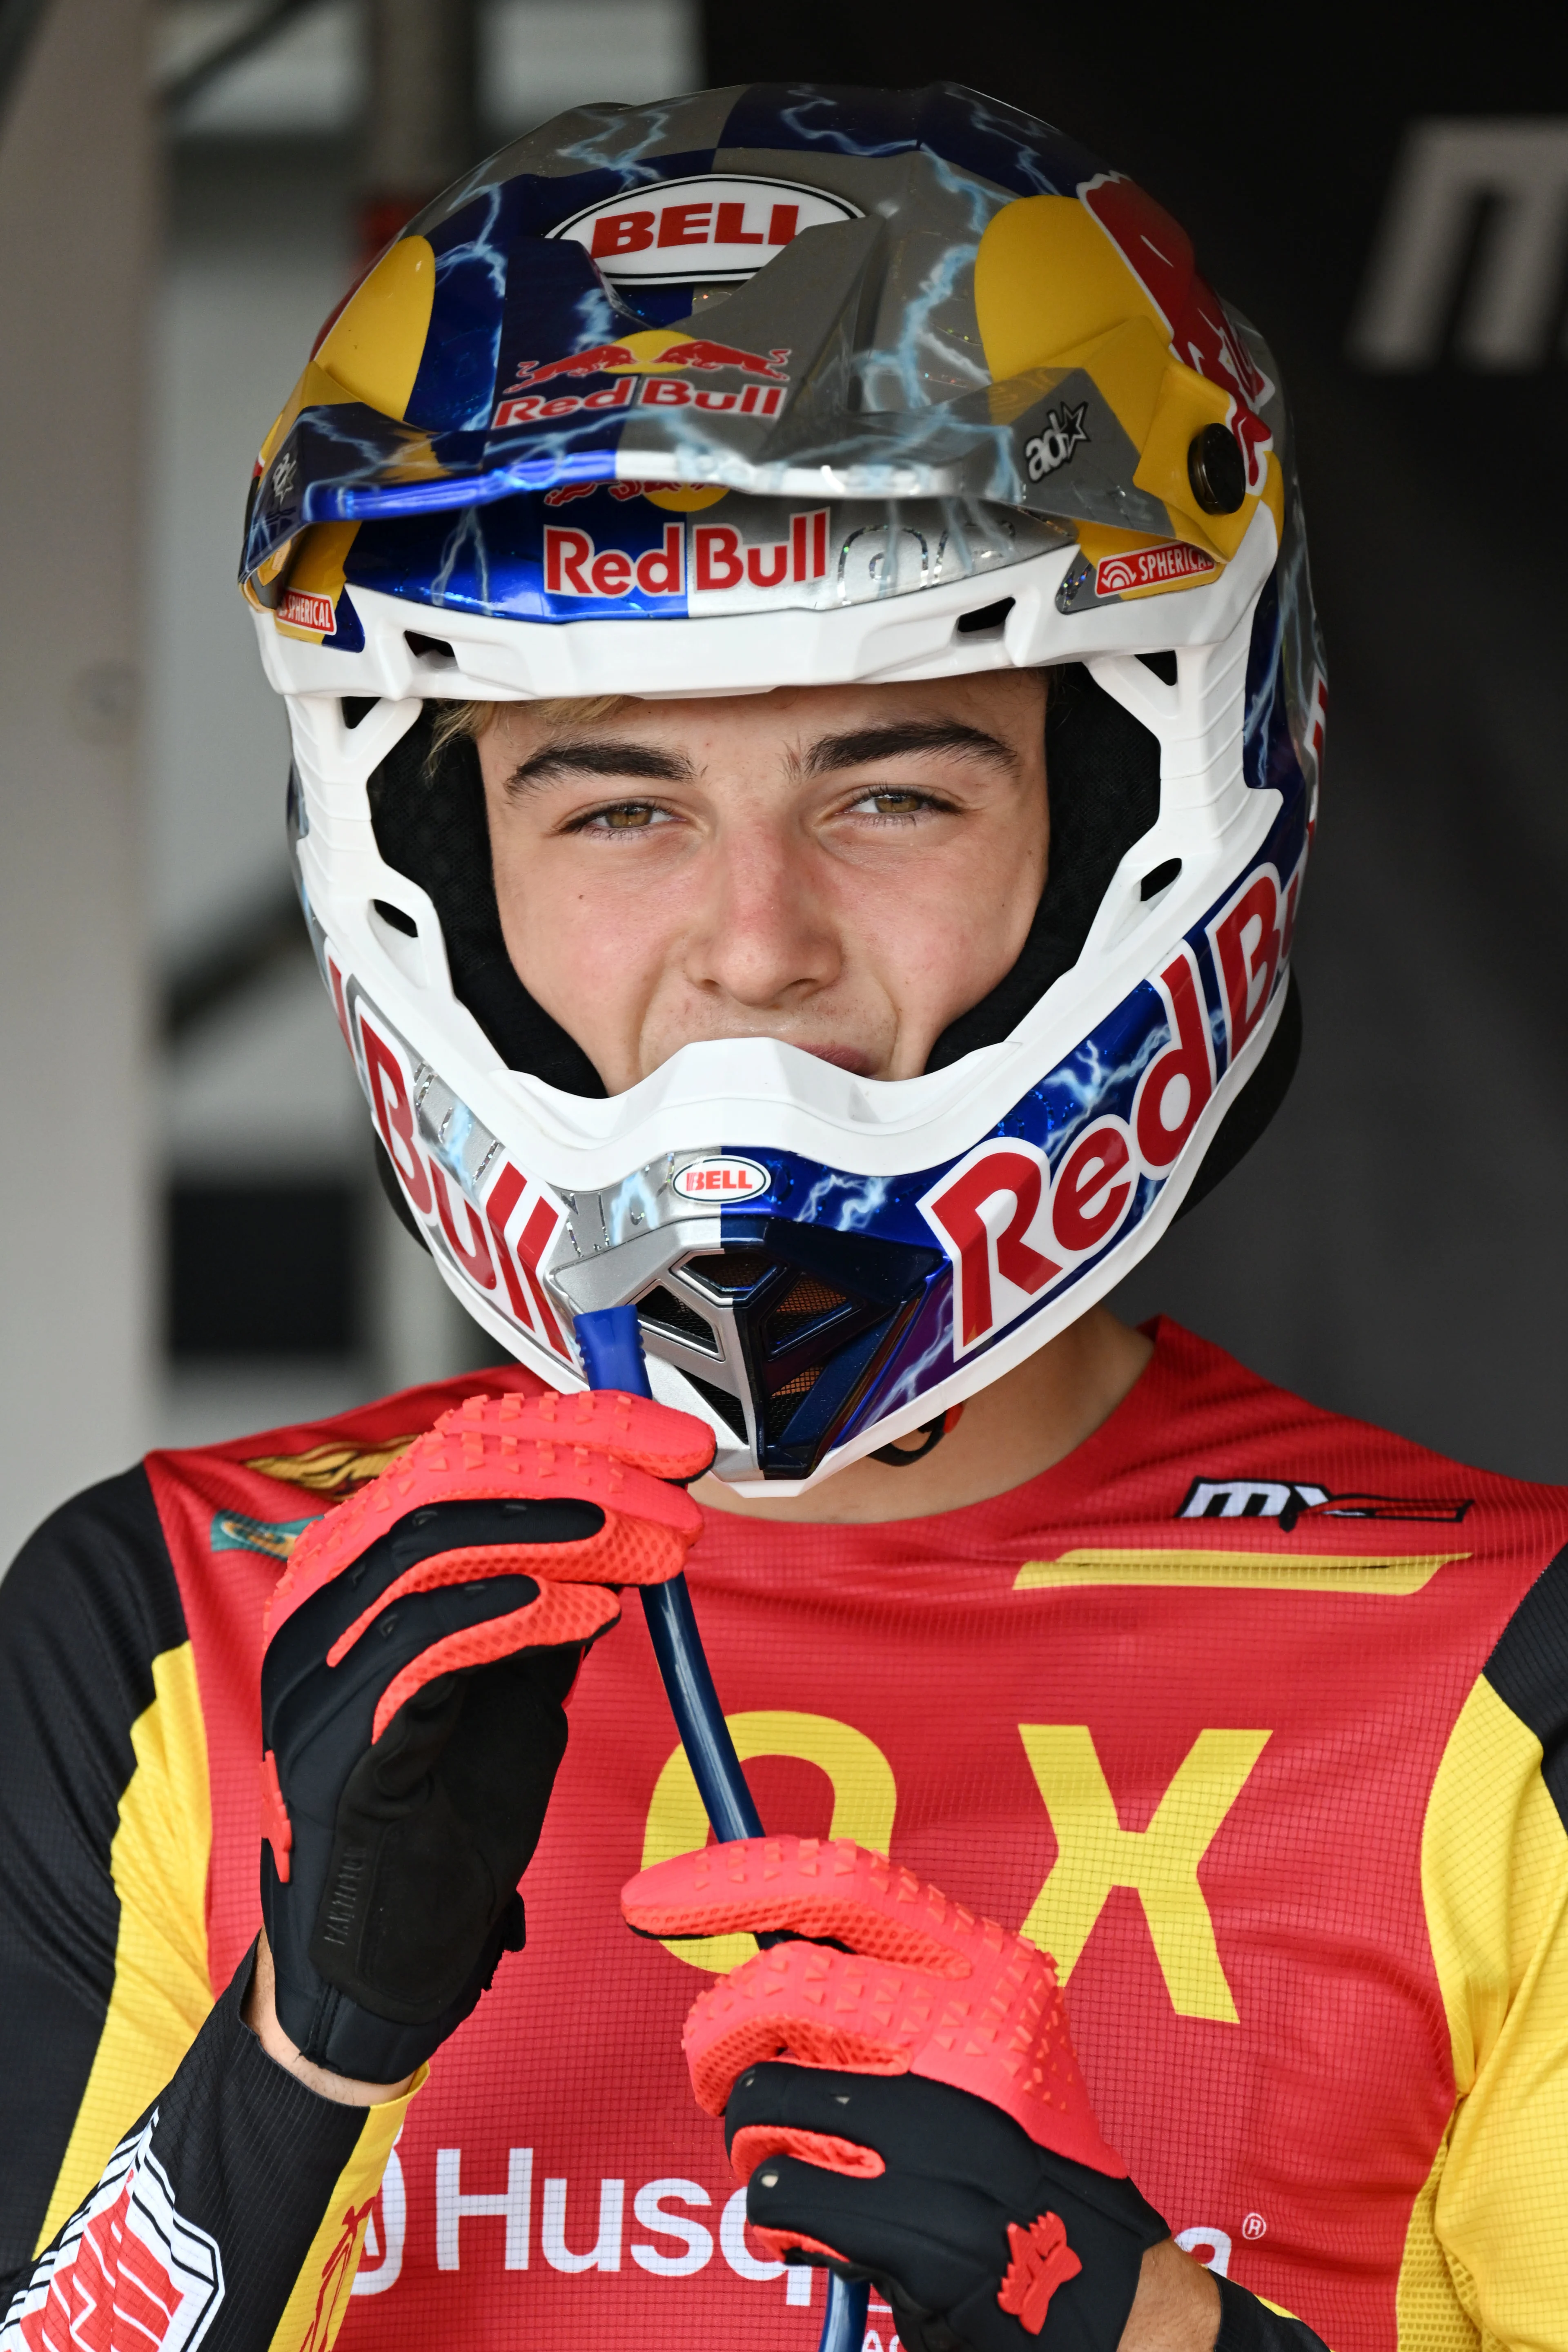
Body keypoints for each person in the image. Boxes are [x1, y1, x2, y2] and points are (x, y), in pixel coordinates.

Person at [2, 78, 1564, 2352]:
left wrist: (1137, 2328)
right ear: (440, 874)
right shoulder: (178, 1627)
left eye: (893, 784)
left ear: (1146, 811)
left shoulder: (1498, 1672)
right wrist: (296, 2063)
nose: (754, 941)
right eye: (616, 803)